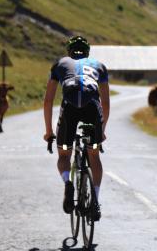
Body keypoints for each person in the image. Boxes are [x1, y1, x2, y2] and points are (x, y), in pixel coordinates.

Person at [43, 36, 110, 221]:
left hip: (70, 108)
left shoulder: (60, 64)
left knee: (64, 153)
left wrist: (49, 131)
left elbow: (48, 101)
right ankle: (95, 199)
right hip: (92, 108)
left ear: (69, 51)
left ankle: (67, 183)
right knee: (94, 154)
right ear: (88, 53)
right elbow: (105, 103)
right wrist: (101, 130)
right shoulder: (100, 66)